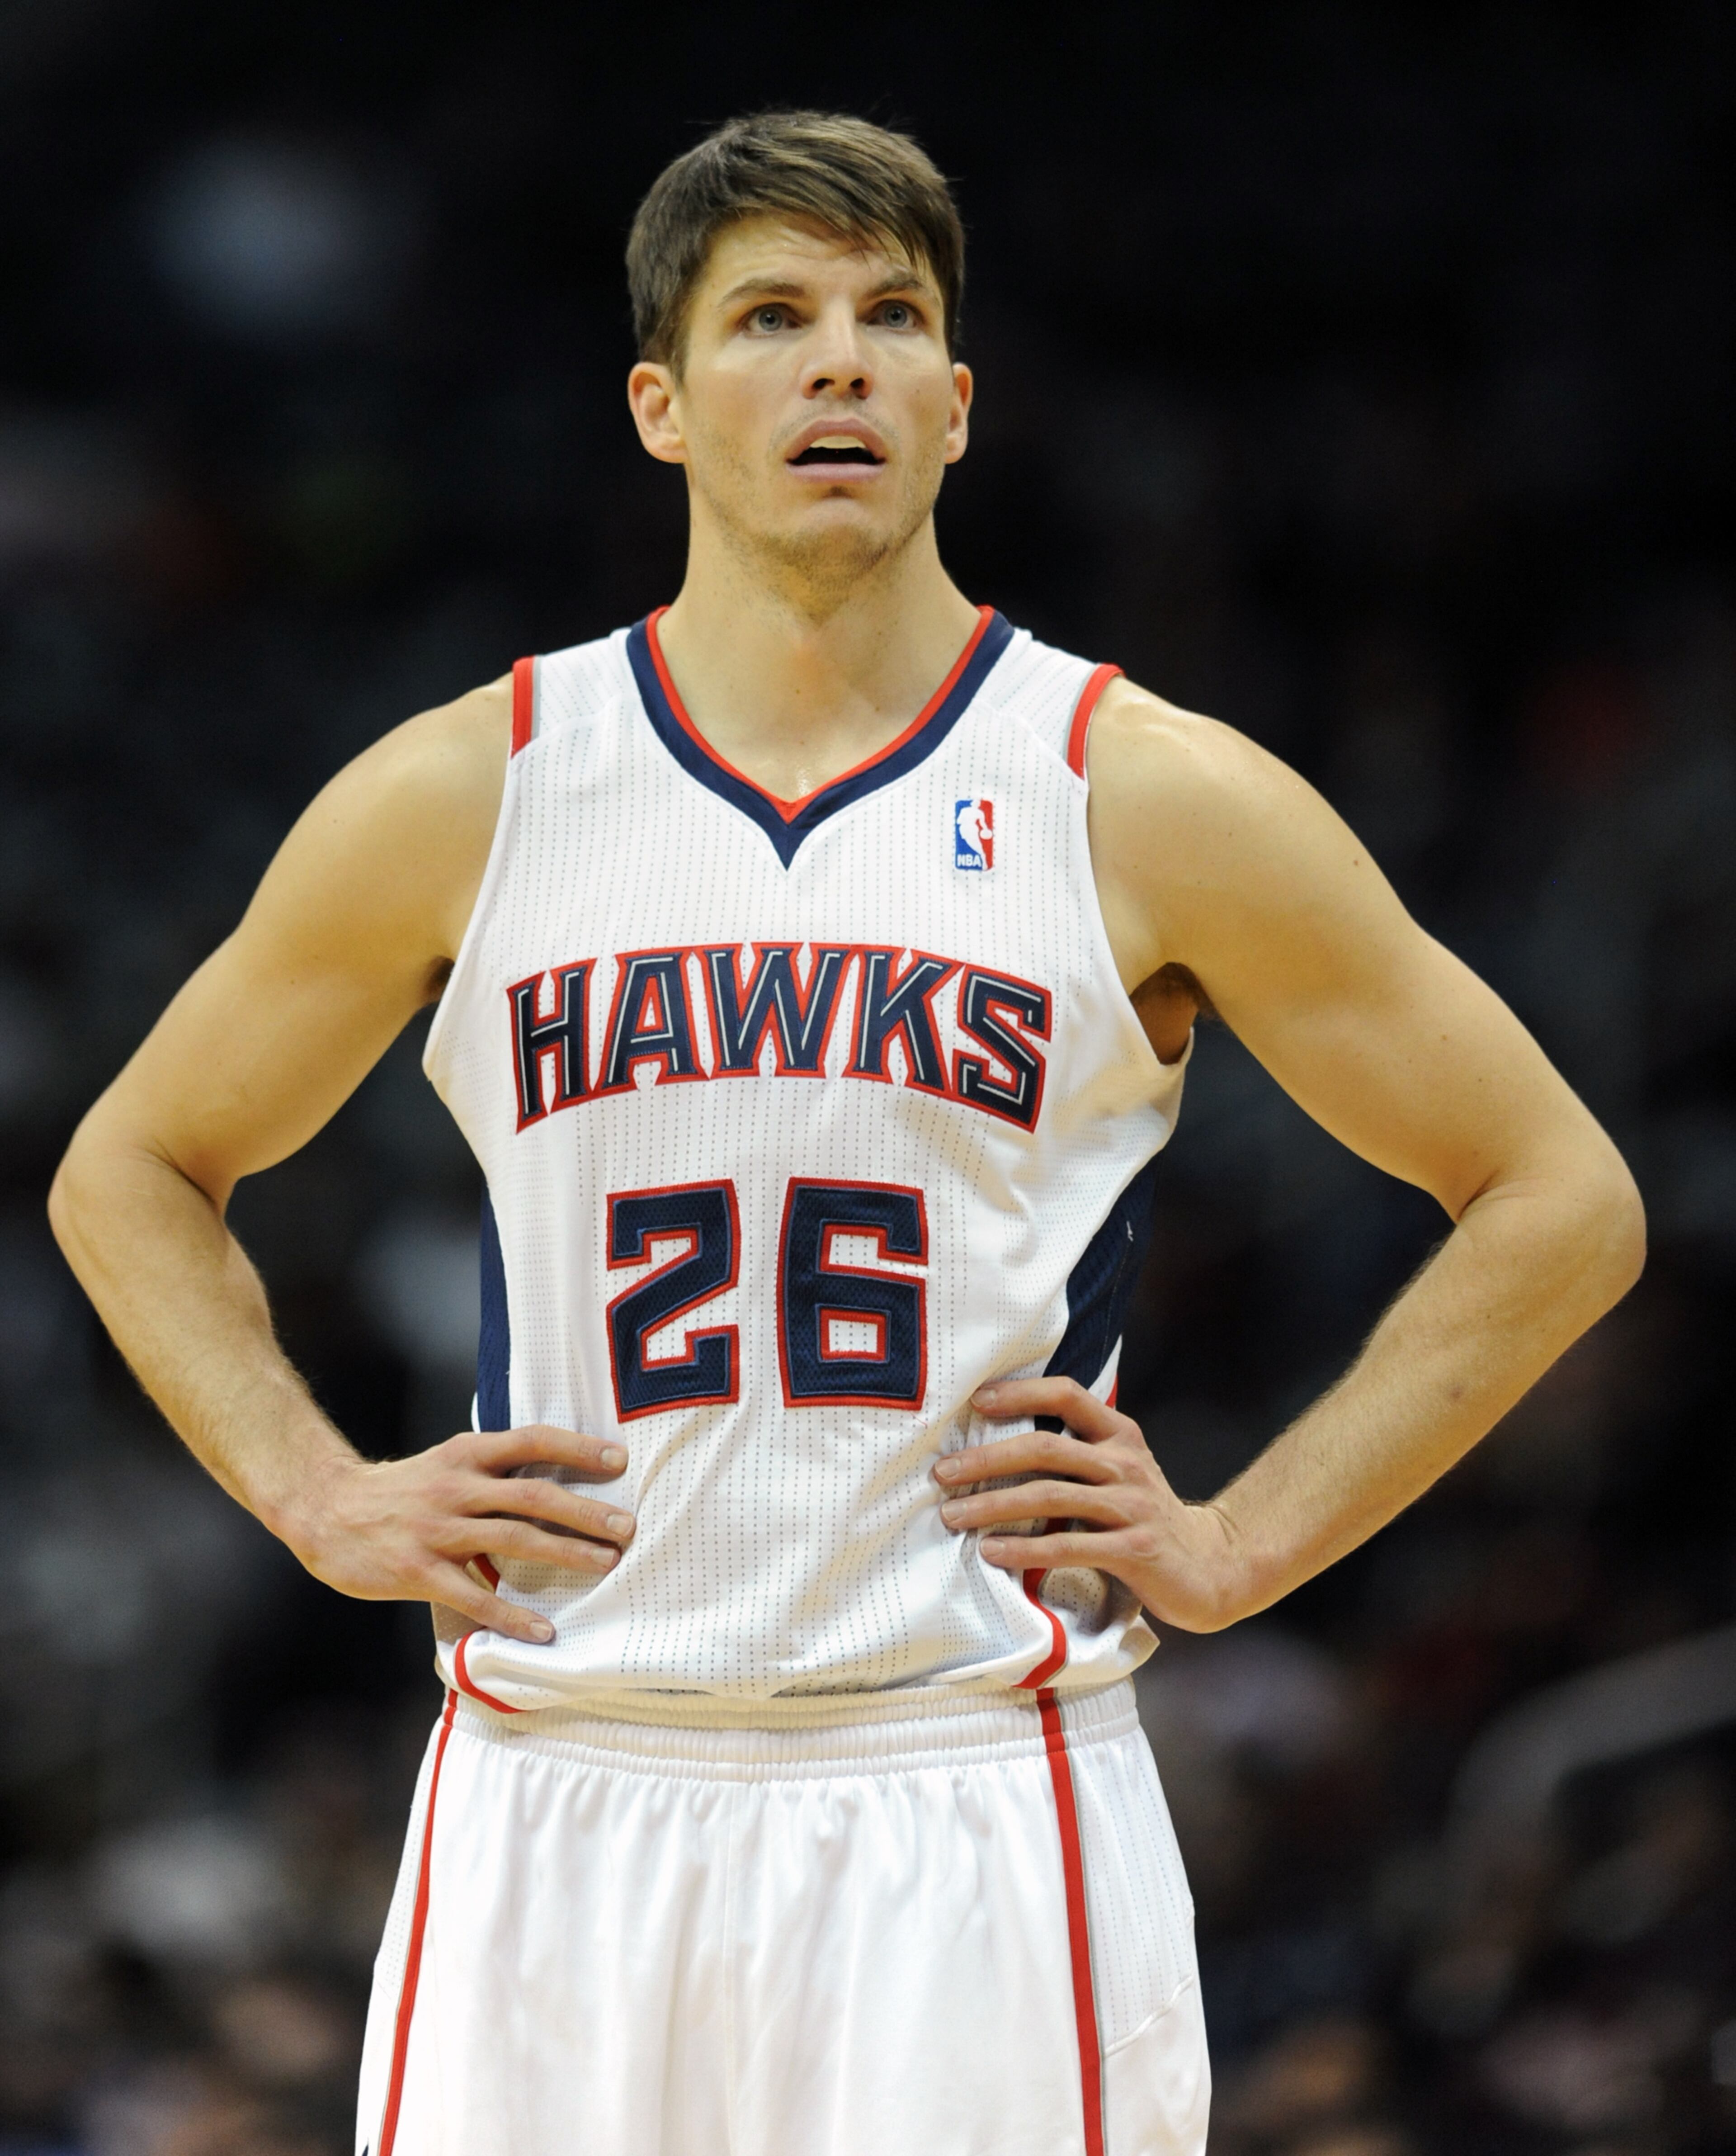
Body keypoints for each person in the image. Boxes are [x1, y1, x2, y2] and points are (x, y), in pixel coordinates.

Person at [48, 110, 1644, 2156]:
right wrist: (314, 1495)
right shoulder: (474, 791)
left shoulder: (1140, 791)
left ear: (957, 407)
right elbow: (130, 1169)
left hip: (967, 1786)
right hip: (554, 1784)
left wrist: (1242, 1544)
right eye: (772, 317)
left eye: (894, 319)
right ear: (660, 403)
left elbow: (1562, 1196)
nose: (841, 365)